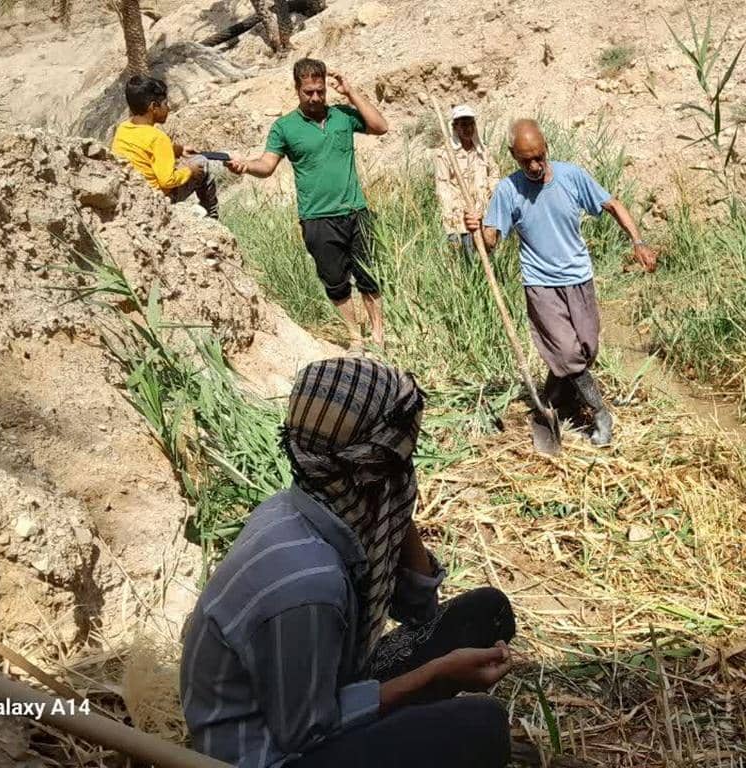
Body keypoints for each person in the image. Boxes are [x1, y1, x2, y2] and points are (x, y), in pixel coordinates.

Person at [180, 357, 516, 768]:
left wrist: (395, 503)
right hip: (271, 753)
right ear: (374, 470)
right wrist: (437, 675)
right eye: (402, 459)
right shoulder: (306, 583)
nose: (409, 474)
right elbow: (305, 732)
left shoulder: (313, 506)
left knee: (487, 611)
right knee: (482, 726)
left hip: (328, 687)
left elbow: (417, 610)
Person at [465, 119, 657, 447]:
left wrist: (638, 241)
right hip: (540, 283)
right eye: (526, 160)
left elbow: (612, 204)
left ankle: (554, 397)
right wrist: (478, 226)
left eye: (539, 156)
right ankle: (599, 413)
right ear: (513, 155)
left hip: (579, 277)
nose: (535, 165)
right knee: (567, 351)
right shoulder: (508, 190)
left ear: (546, 148)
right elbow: (492, 239)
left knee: (586, 349)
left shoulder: (571, 176)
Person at [228, 58, 390, 350]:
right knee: (335, 281)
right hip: (317, 218)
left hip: (356, 211)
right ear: (297, 89)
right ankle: (355, 336)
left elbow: (380, 127)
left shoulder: (342, 115)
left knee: (369, 275)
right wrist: (246, 166)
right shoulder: (285, 127)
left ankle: (378, 335)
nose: (315, 97)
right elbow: (267, 165)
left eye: (320, 91)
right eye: (308, 92)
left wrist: (350, 92)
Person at [111, 75, 219, 219]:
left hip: (134, 196)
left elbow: (145, 148)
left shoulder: (123, 128)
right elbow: (167, 181)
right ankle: (212, 216)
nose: (169, 108)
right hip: (158, 199)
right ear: (153, 107)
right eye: (165, 104)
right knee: (201, 163)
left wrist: (179, 150)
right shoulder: (158, 138)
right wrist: (189, 171)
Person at [433, 104, 495, 258]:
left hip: (483, 217)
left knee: (487, 258)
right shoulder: (444, 154)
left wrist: (489, 195)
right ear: (455, 127)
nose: (467, 128)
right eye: (463, 124)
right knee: (466, 263)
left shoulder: (483, 151)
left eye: (470, 123)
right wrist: (455, 217)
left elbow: (494, 174)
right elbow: (443, 188)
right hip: (460, 221)